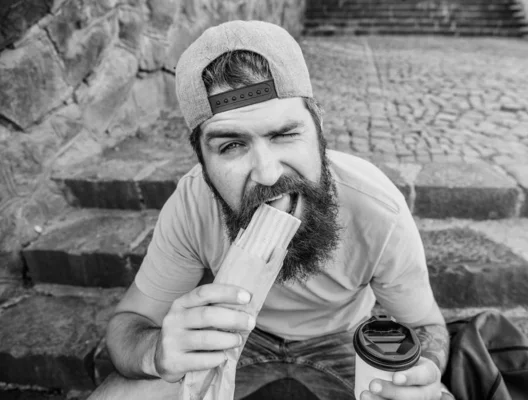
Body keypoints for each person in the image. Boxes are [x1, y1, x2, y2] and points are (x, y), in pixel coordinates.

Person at [89, 20, 452, 400]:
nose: (267, 173)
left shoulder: (378, 210)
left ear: (319, 128)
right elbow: (129, 324)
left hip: (342, 340)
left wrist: (424, 369)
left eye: (284, 134)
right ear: (202, 161)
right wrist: (157, 352)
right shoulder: (192, 203)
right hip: (233, 338)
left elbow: (428, 325)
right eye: (230, 146)